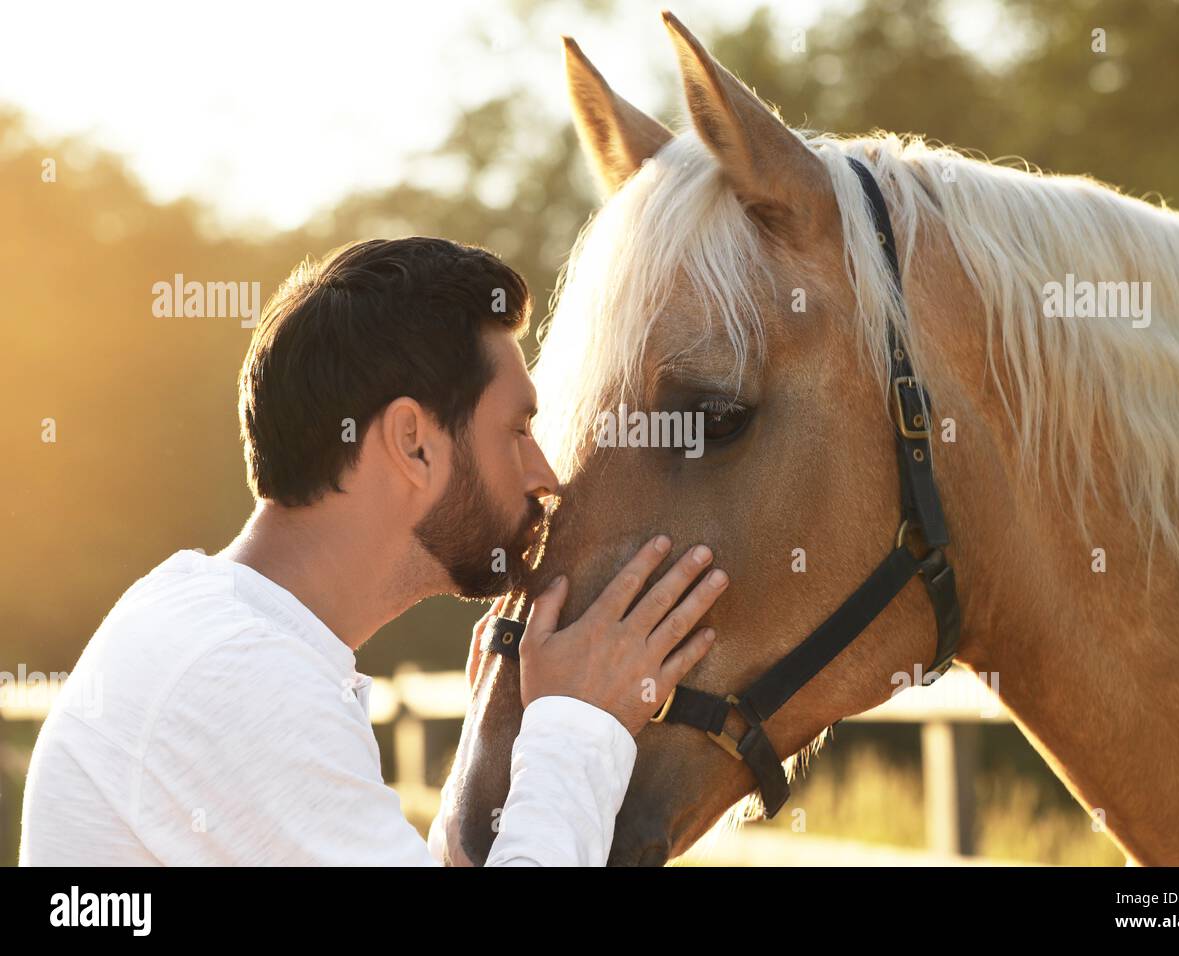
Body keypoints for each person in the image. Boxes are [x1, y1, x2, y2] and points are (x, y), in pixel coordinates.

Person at [19, 237, 725, 866]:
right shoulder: (238, 675)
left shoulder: (206, 628)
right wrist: (578, 725)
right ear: (413, 442)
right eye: (517, 431)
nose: (547, 476)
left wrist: (473, 798)